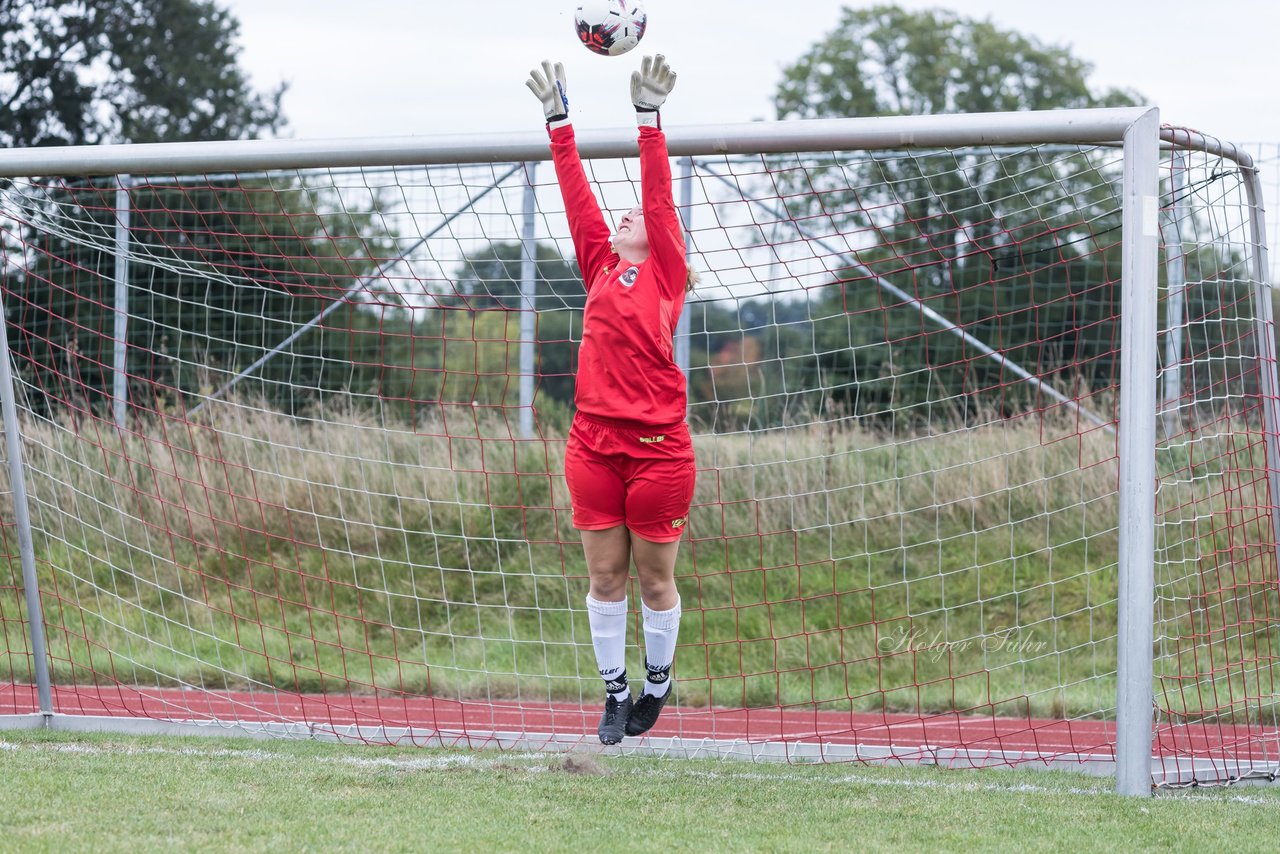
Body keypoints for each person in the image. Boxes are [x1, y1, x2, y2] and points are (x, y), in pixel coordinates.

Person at [526, 55, 696, 745]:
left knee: (655, 583)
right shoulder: (601, 264)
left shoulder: (668, 273)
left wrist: (648, 120)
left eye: (637, 216)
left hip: (659, 452)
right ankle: (615, 691)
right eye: (622, 215)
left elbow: (656, 196)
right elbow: (577, 198)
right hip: (592, 444)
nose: (627, 215)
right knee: (604, 576)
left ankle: (657, 683)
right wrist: (558, 120)